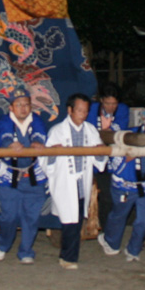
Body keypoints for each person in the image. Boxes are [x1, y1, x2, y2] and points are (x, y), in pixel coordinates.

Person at [43, 94, 104, 269]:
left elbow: (99, 159)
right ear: (70, 110)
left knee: (76, 220)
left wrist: (100, 151)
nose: (82, 114)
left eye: (85, 111)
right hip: (64, 180)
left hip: (82, 180)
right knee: (69, 220)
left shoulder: (90, 130)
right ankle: (69, 257)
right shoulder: (57, 131)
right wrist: (54, 152)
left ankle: (67, 255)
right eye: (79, 110)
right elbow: (47, 160)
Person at [0, 89, 49, 264]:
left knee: (31, 216)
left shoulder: (36, 120)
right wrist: (10, 143)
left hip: (33, 176)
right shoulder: (5, 120)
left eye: (26, 105)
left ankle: (26, 250)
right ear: (11, 107)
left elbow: (40, 133)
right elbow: (3, 134)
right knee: (9, 216)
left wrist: (37, 143)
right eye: (19, 105)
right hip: (10, 176)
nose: (23, 108)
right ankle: (3, 244)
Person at [98, 120, 145, 263]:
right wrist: (128, 156)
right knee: (119, 215)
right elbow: (114, 163)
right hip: (124, 185)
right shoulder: (130, 134)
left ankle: (133, 249)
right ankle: (110, 240)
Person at [91, 82, 131, 233]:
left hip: (115, 157)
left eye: (114, 103)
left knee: (114, 194)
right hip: (94, 156)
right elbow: (89, 129)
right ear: (101, 100)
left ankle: (110, 228)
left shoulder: (123, 110)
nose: (111, 107)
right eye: (108, 103)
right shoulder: (92, 110)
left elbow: (119, 129)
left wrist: (105, 131)